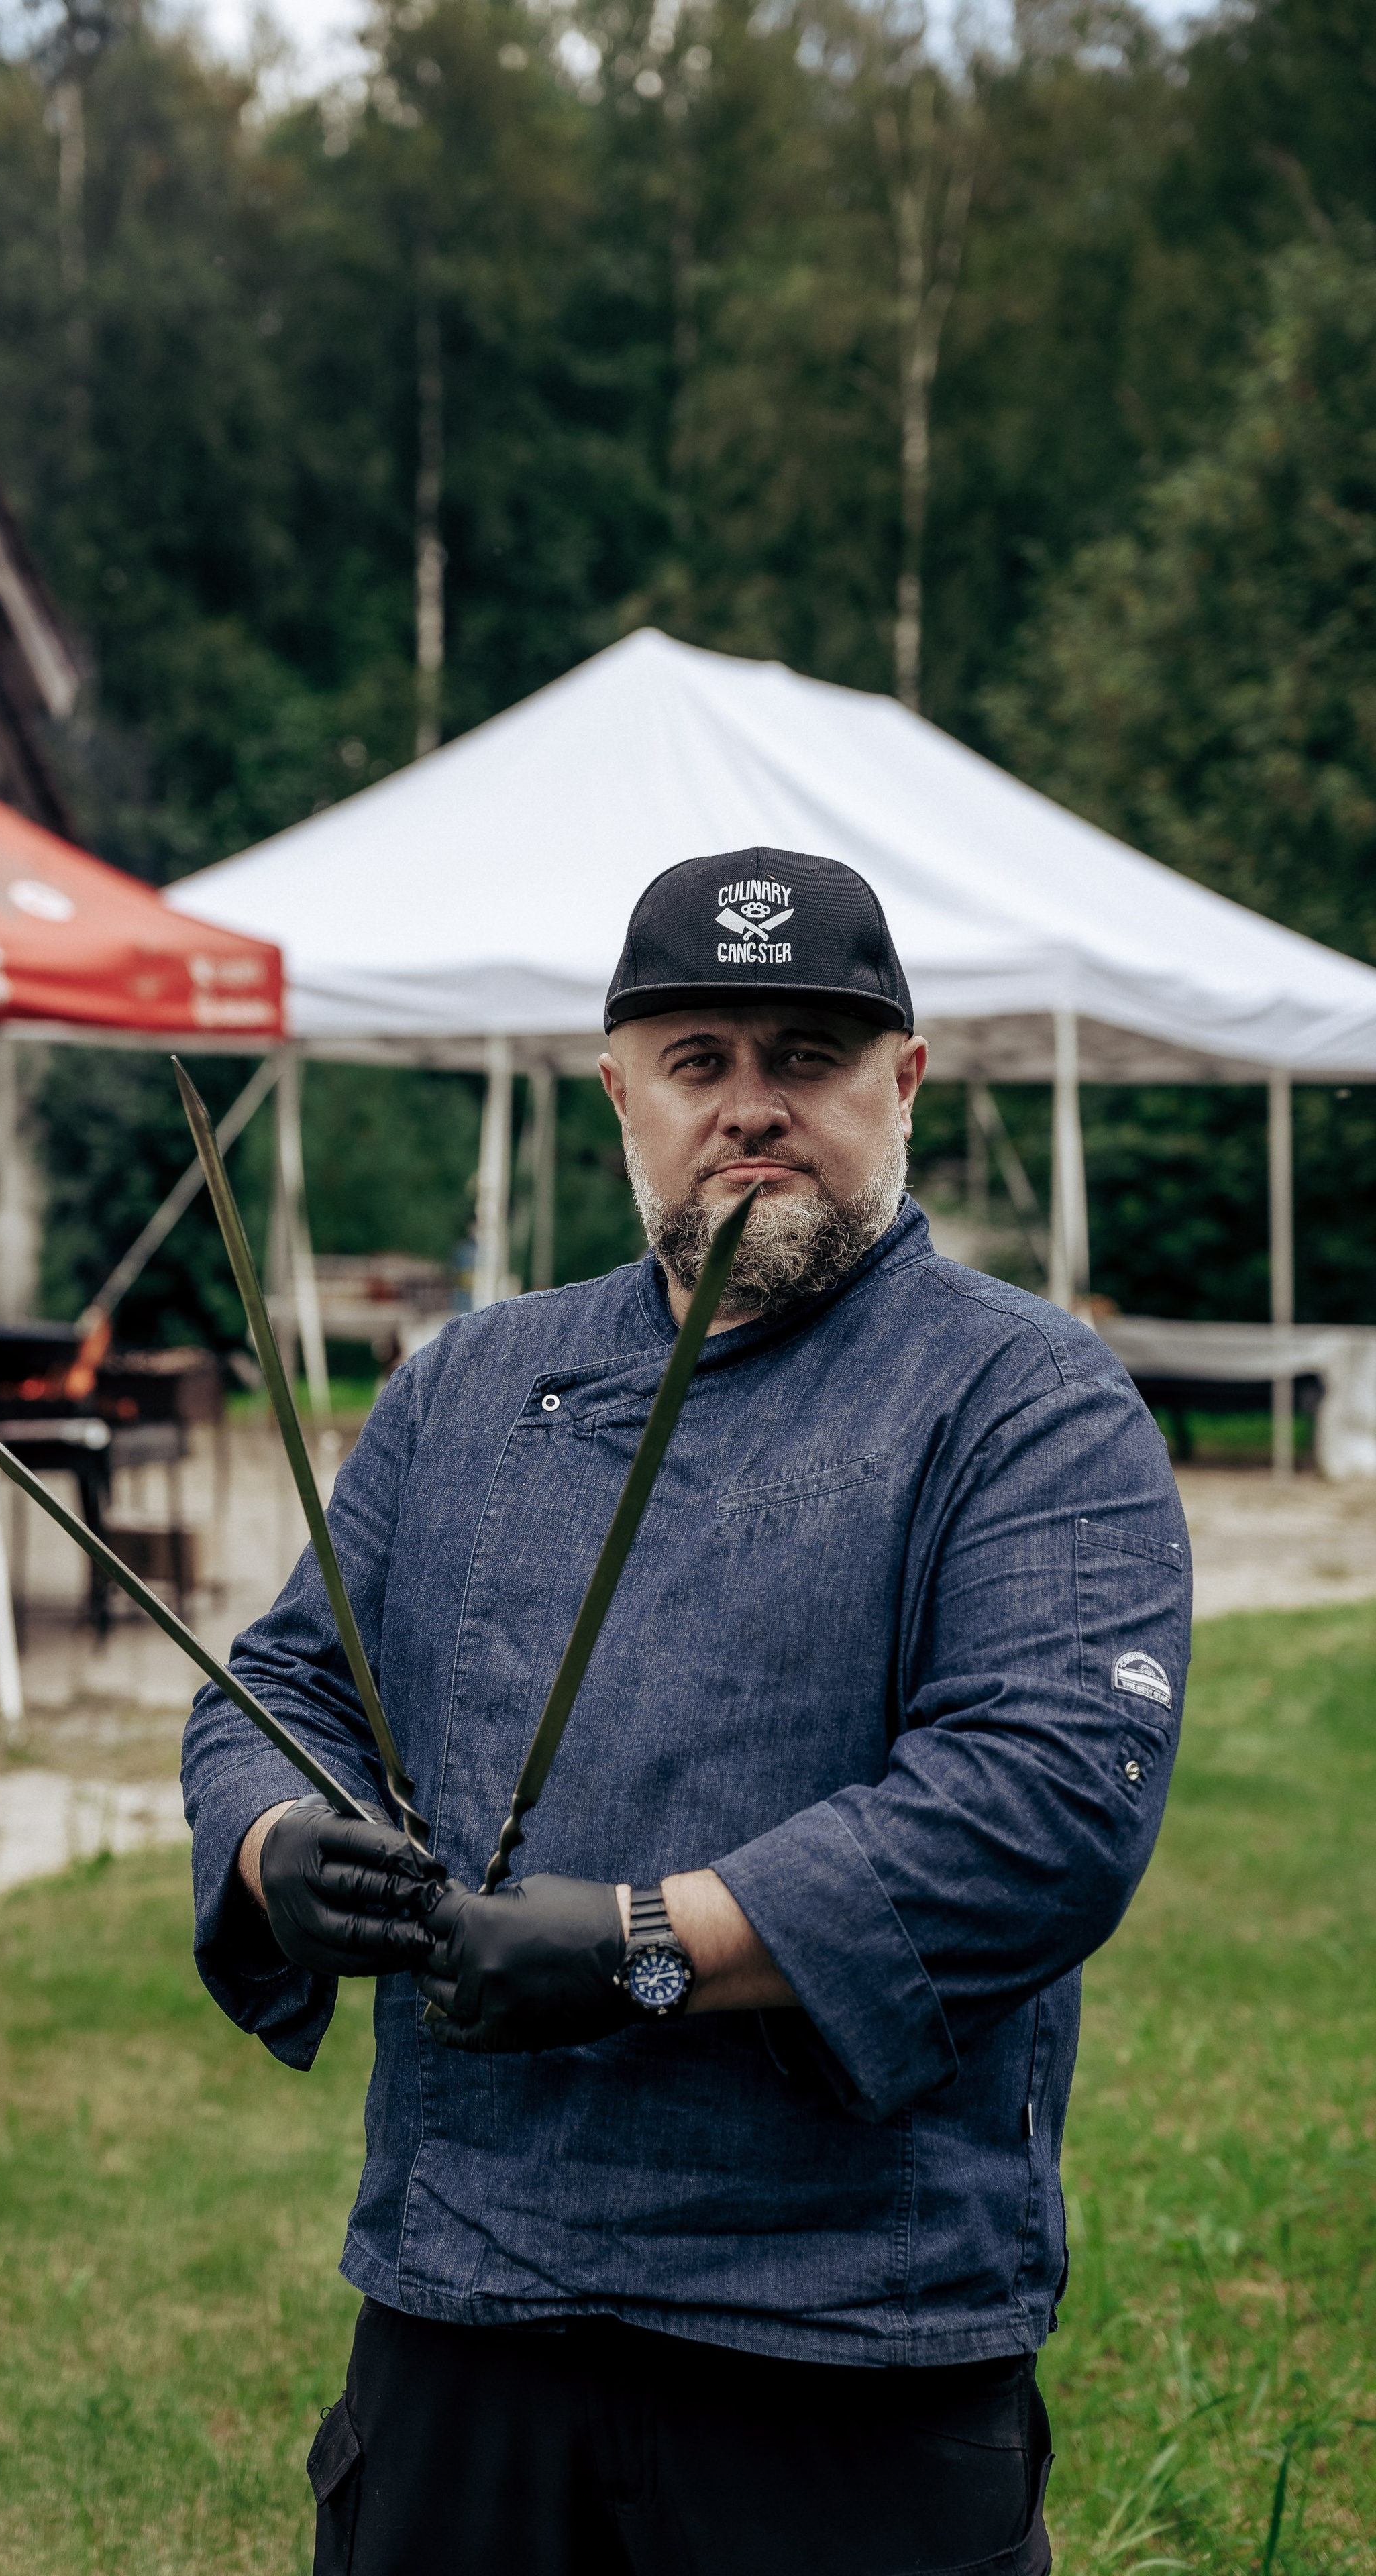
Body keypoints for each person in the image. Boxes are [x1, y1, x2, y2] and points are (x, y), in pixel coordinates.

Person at [182, 847, 1190, 2576]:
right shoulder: (472, 1387)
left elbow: (1042, 1807)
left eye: (804, 1055)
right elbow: (285, 1686)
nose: (753, 1108)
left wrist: (648, 1944)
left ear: (905, 1080)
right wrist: (283, 1844)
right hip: (468, 2292)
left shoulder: (1030, 1401)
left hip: (847, 2326)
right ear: (617, 1093)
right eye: (699, 1059)